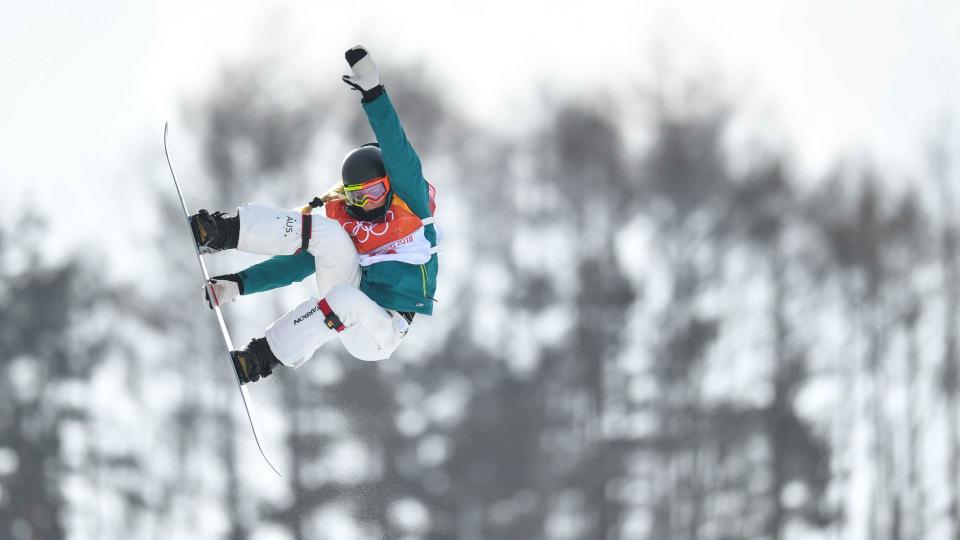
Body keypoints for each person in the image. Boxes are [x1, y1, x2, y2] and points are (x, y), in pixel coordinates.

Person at [188, 46, 440, 384]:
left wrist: (374, 94)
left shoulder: (411, 202)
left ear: (389, 185)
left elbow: (397, 148)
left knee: (347, 298)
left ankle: (262, 358)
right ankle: (220, 232)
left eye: (375, 194)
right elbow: (297, 264)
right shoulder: (347, 220)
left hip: (382, 329)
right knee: (325, 233)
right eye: (357, 198)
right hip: (350, 295)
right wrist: (239, 283)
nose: (367, 206)